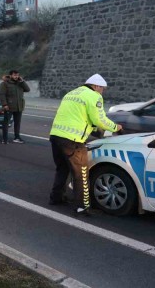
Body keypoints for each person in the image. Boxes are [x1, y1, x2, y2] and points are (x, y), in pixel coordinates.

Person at [48, 74, 122, 216]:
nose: (102, 92)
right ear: (96, 86)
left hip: (56, 136)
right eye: (102, 89)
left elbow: (79, 117)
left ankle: (55, 198)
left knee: (62, 169)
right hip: (73, 141)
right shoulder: (94, 96)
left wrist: (95, 130)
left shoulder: (72, 93)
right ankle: (82, 206)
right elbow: (99, 119)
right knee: (81, 174)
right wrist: (115, 127)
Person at [0, 70, 30, 144]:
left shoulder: (20, 83)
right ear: (10, 75)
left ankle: (17, 137)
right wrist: (4, 105)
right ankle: (5, 139)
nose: (16, 77)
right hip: (9, 106)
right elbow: (1, 95)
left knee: (17, 123)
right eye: (15, 75)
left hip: (19, 107)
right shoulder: (4, 84)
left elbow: (28, 90)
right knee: (6, 123)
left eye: (17, 75)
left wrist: (22, 81)